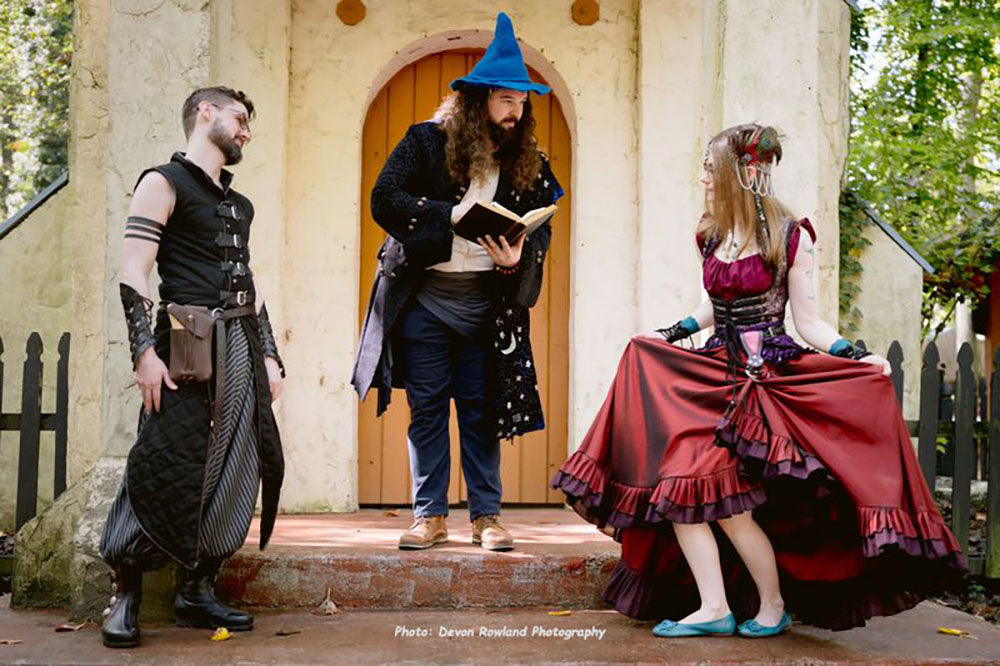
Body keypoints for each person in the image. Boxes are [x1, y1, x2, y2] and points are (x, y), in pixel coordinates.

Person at [552, 124, 963, 636]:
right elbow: (709, 307)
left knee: (727, 505)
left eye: (710, 168)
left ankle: (771, 605)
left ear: (741, 174)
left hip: (766, 382)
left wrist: (856, 355)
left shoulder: (792, 236)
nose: (703, 177)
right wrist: (666, 334)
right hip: (712, 377)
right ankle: (714, 608)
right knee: (681, 487)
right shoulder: (709, 234)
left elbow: (808, 323)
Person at [352, 12, 563, 552]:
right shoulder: (426, 142)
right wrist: (450, 216)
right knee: (427, 408)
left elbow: (542, 227)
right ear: (477, 101)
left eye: (522, 102)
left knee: (479, 410)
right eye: (506, 99)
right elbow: (385, 199)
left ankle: (486, 518)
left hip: (486, 308)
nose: (516, 111)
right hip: (424, 301)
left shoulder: (528, 161)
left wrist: (517, 256)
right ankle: (429, 516)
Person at [99, 86, 285, 648]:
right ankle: (126, 589)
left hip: (240, 342)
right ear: (206, 113)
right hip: (183, 336)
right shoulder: (161, 182)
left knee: (236, 460)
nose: (247, 129)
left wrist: (270, 354)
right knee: (165, 454)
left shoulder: (239, 204)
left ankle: (196, 587)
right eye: (240, 117)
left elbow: (247, 285)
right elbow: (135, 271)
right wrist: (142, 352)